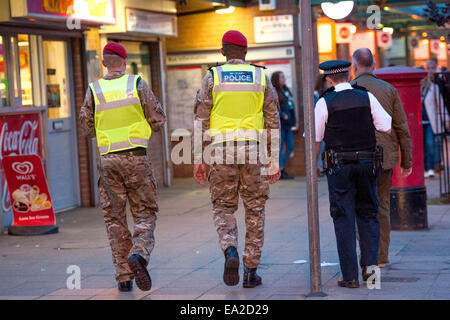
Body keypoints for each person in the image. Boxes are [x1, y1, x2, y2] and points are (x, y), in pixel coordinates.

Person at [193, 30, 280, 288]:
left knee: (223, 207)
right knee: (255, 209)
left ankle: (230, 249)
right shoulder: (261, 76)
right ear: (246, 51)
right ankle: (250, 271)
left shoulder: (212, 77)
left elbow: (201, 119)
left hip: (220, 151)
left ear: (222, 52)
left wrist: (199, 157)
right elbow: (272, 120)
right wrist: (273, 158)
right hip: (253, 151)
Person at [79, 42, 166, 292]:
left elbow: (86, 129)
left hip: (108, 161)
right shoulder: (136, 83)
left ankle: (123, 277)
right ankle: (138, 254)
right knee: (145, 212)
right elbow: (158, 120)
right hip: (136, 158)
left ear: (104, 63)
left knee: (114, 218)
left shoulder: (94, 89)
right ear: (124, 61)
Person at [315, 60, 392, 288]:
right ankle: (371, 274)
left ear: (329, 79)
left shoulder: (324, 102)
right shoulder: (366, 96)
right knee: (369, 215)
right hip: (368, 163)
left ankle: (349, 278)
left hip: (339, 166)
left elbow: (316, 138)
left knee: (343, 218)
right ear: (348, 75)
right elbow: (386, 126)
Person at [351, 48, 412, 268]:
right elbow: (401, 127)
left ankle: (367, 254)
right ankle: (381, 256)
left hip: (357, 158)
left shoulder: (349, 89)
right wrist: (407, 160)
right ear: (374, 65)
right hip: (385, 157)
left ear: (354, 66)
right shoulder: (389, 89)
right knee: (382, 206)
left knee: (361, 206)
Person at [421, 60, 449, 178]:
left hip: (431, 120)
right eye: (428, 68)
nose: (430, 71)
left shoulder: (435, 86)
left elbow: (441, 104)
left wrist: (446, 119)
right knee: (423, 145)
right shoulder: (419, 87)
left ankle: (431, 167)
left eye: (432, 68)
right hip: (419, 121)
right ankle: (426, 168)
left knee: (430, 143)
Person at [271, 71, 296, 179]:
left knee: (290, 146)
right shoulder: (274, 91)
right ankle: (280, 170)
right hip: (280, 125)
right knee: (280, 148)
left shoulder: (286, 90)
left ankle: (281, 167)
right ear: (276, 79)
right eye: (281, 77)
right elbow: (272, 108)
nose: (284, 78)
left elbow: (291, 105)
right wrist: (282, 114)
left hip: (288, 124)